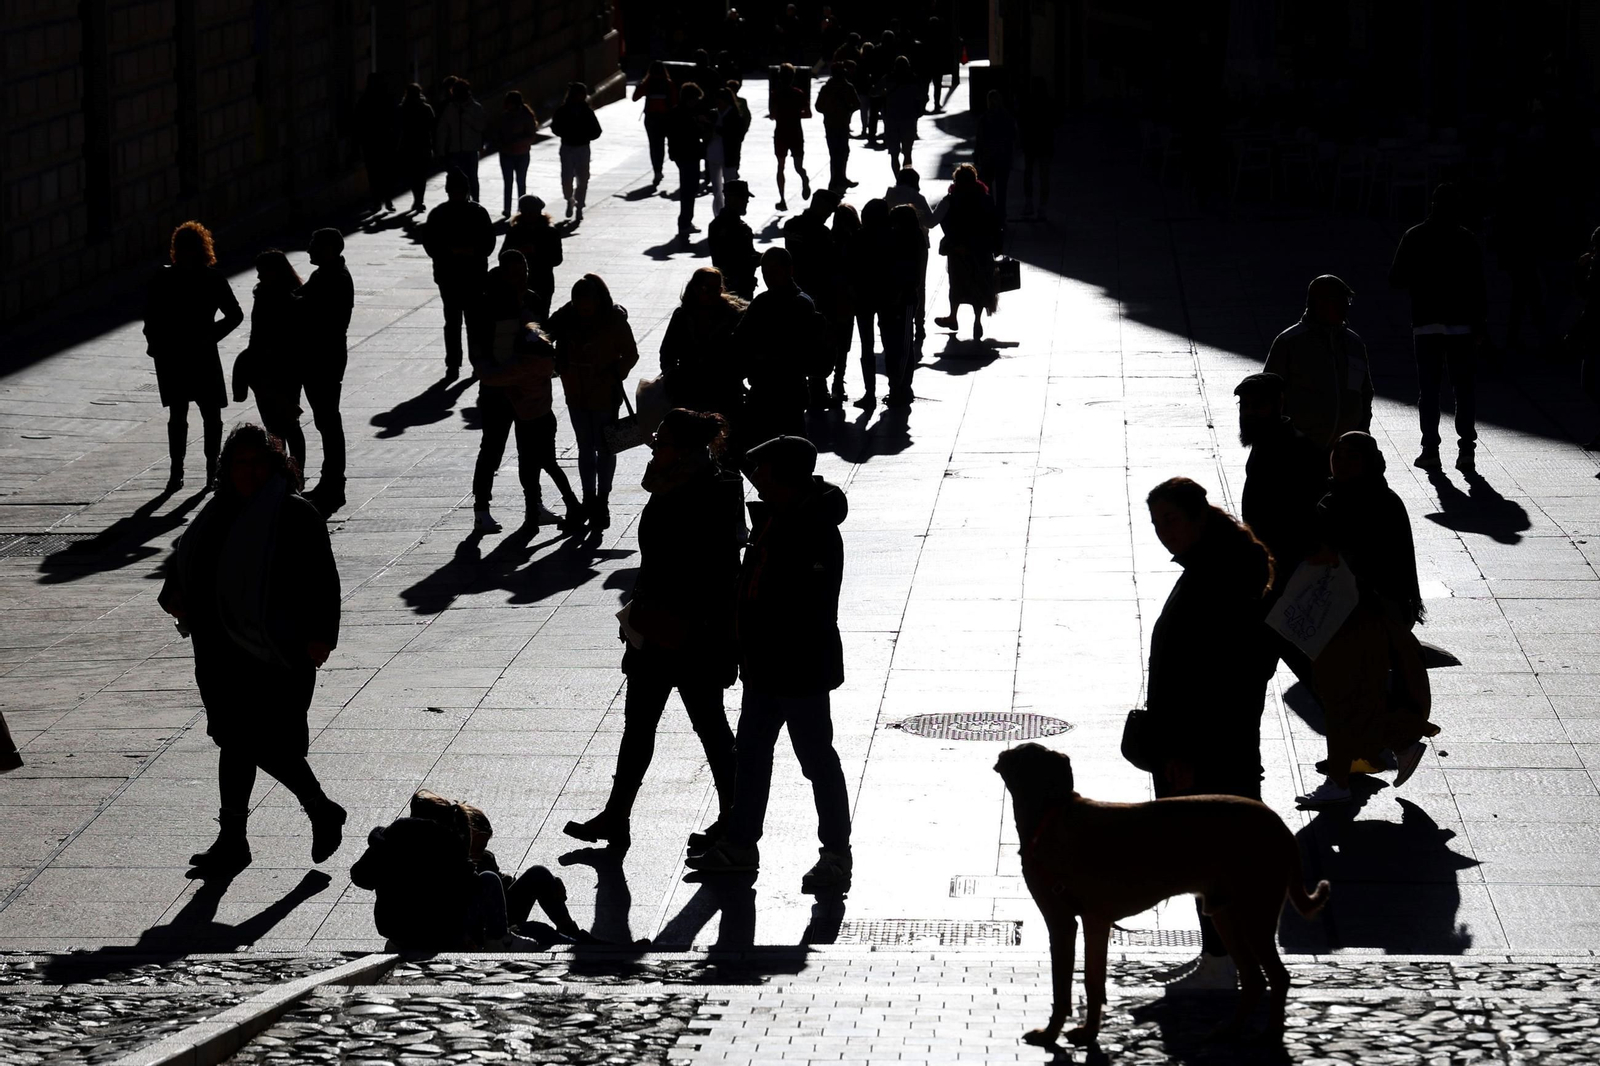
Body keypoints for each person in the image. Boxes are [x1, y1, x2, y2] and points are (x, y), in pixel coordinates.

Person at [159, 425, 346, 874]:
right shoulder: (215, 512)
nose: (249, 471)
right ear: (226, 468)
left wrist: (321, 636)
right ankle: (240, 837)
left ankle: (312, 811)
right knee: (235, 740)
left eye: (258, 462)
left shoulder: (294, 513)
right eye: (240, 463)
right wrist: (174, 592)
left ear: (275, 466)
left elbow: (323, 580)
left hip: (276, 649)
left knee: (258, 740)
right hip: (218, 649)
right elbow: (186, 561)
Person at [564, 409, 744, 851]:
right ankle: (616, 815)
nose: (653, 446)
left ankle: (736, 818)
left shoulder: (711, 490)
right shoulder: (668, 483)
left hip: (694, 632)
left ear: (684, 449)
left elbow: (717, 570)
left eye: (661, 441)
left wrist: (704, 628)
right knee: (639, 725)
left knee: (711, 727)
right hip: (656, 626)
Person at [686, 435, 851, 894]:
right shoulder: (778, 516)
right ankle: (741, 844)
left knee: (816, 760)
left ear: (784, 476)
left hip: (798, 668)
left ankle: (836, 855)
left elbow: (806, 607)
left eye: (763, 471)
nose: (755, 478)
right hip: (763, 667)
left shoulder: (812, 527)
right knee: (752, 757)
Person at [1141, 476, 1274, 990]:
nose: (1163, 532)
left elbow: (1209, 673)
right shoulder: (1217, 565)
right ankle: (1226, 956)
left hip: (1206, 745)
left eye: (1171, 520)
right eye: (1156, 523)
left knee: (1207, 853)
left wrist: (1181, 750)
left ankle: (1222, 959)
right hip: (1220, 739)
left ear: (1198, 517)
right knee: (1216, 851)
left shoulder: (1215, 576)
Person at [1295, 433, 1436, 808]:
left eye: (1351, 457)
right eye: (1337, 454)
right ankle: (1397, 744)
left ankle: (1342, 778)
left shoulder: (1376, 503)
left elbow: (1373, 561)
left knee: (1341, 695)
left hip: (1364, 613)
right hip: (1343, 611)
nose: (1340, 462)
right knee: (1345, 694)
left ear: (1369, 462)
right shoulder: (1337, 498)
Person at [467, 252, 583, 534]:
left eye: (525, 271)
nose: (522, 278)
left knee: (528, 454)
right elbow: (478, 348)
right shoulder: (486, 304)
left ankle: (535, 506)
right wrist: (490, 374)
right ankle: (482, 510)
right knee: (492, 449)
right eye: (515, 273)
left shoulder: (532, 299)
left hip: (527, 391)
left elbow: (541, 336)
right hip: (497, 389)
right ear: (502, 273)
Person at [1388, 182, 1489, 473]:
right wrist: (1479, 325)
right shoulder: (1466, 238)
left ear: (1432, 205)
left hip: (1426, 323)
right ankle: (1466, 451)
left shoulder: (1414, 236)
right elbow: (1479, 286)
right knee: (1464, 390)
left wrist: (1422, 278)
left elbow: (1396, 278)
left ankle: (1430, 449)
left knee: (1429, 391)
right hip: (1461, 325)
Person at [409, 789, 590, 944]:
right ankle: (572, 943)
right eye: (476, 847)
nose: (480, 853)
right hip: (477, 930)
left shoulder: (485, 859)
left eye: (483, 847)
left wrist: (550, 884)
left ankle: (571, 931)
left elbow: (504, 885)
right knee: (539, 931)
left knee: (539, 874)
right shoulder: (445, 864)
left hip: (497, 918)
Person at [143, 221, 243, 491]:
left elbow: (235, 314)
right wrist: (156, 343)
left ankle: (210, 469)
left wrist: (209, 336)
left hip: (194, 354)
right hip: (180, 355)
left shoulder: (208, 279)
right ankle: (179, 470)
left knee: (207, 415)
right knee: (183, 415)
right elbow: (150, 317)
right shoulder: (168, 278)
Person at [547, 274, 640, 531]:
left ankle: (602, 501)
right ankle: (589, 499)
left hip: (604, 395)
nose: (584, 310)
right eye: (579, 305)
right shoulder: (567, 317)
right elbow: (545, 333)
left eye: (588, 305)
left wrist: (613, 374)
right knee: (585, 446)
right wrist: (560, 366)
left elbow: (630, 353)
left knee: (606, 447)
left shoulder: (614, 319)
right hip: (576, 393)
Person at [1234, 373, 1326, 604]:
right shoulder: (1265, 441)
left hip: (1287, 569)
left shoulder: (1295, 449)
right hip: (1271, 560)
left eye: (1257, 405)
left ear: (1278, 404)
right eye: (1244, 406)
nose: (1249, 412)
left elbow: (1304, 516)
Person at [1263, 275, 1374, 452]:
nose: (1345, 307)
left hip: (1344, 450)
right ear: (1319, 304)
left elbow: (1365, 391)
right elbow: (1268, 395)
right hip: (1300, 449)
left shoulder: (1354, 343)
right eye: (1339, 301)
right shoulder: (1289, 342)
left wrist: (1363, 429)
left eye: (1347, 301)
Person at [734, 248, 830, 444]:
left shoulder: (800, 305)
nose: (769, 278)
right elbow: (739, 342)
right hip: (764, 391)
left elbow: (810, 355)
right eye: (765, 273)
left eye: (774, 271)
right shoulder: (762, 302)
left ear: (789, 270)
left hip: (788, 393)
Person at [291, 228, 354, 514]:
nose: (309, 250)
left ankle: (334, 483)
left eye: (314, 245)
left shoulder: (335, 278)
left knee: (329, 421)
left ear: (328, 249)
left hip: (325, 359)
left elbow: (312, 310)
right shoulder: (324, 275)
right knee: (326, 421)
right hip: (319, 357)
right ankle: (330, 481)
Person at [232, 250, 307, 475]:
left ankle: (294, 473)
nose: (258, 276)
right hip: (264, 370)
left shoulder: (291, 299)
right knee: (275, 425)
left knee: (288, 423)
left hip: (283, 369)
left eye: (262, 271)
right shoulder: (264, 294)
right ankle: (282, 472)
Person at [423, 168, 496, 376]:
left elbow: (488, 243)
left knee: (473, 322)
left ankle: (475, 361)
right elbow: (431, 244)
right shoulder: (440, 214)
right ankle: (453, 363)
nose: (457, 194)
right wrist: (452, 252)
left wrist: (470, 251)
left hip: (472, 276)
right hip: (450, 276)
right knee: (454, 321)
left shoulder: (476, 212)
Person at [659, 268, 747, 424]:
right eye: (707, 288)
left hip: (725, 391)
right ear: (695, 288)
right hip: (690, 390)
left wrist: (737, 375)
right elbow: (667, 352)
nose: (712, 294)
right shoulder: (682, 316)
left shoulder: (734, 315)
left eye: (716, 289)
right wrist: (672, 378)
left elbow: (746, 350)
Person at [784, 190, 842, 408]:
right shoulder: (819, 232)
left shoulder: (794, 225)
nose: (828, 215)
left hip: (800, 291)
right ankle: (816, 391)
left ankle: (810, 390)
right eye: (828, 210)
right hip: (813, 293)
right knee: (815, 344)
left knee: (803, 343)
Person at [931, 164, 1000, 341]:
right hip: (981, 249)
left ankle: (953, 316)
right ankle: (977, 321)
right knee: (979, 283)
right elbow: (995, 223)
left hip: (958, 249)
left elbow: (937, 219)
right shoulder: (985, 199)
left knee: (957, 283)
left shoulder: (951, 199)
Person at [881, 204, 926, 408]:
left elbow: (912, 274)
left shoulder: (910, 239)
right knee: (897, 343)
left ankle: (901, 386)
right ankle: (898, 385)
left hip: (905, 298)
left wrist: (899, 292)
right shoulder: (907, 238)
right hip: (898, 297)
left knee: (902, 343)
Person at [884, 167, 933, 343]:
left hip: (893, 244)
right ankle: (919, 324)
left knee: (893, 281)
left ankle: (895, 318)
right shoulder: (917, 198)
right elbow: (930, 222)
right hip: (917, 245)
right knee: (919, 284)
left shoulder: (888, 196)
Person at [849, 199, 890, 406]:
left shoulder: (858, 237)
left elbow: (851, 267)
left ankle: (869, 392)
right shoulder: (891, 237)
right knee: (890, 343)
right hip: (885, 295)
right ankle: (895, 387)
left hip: (863, 296)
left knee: (867, 345)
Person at [501, 194, 563, 323]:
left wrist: (537, 252)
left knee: (541, 318)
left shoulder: (550, 232)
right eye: (526, 211)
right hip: (518, 282)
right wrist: (519, 252)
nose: (529, 215)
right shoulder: (515, 231)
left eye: (532, 211)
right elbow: (503, 255)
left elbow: (557, 259)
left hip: (542, 281)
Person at [1566, 226, 1600, 449]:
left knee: (1590, 381)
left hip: (1596, 334)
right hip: (1593, 332)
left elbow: (1588, 298)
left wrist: (1580, 269)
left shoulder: (1597, 266)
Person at [551, 82, 602, 221]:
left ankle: (580, 205)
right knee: (566, 178)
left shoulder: (587, 111)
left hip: (583, 147)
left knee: (583, 177)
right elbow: (555, 127)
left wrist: (585, 136)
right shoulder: (562, 110)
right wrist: (566, 133)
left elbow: (597, 130)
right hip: (567, 147)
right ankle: (569, 199)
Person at [668, 83, 712, 237]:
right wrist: (701, 124)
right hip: (688, 154)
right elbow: (692, 134)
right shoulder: (686, 114)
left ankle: (686, 221)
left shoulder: (676, 111)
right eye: (695, 99)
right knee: (689, 188)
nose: (697, 102)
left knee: (689, 188)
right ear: (690, 98)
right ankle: (685, 222)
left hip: (682, 154)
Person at [435, 78, 487, 202]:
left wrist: (466, 116)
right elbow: (443, 130)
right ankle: (460, 201)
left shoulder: (475, 108)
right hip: (455, 150)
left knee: (472, 177)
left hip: (470, 149)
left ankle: (475, 201)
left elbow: (481, 126)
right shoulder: (450, 109)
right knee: (456, 178)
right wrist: (440, 150)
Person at [709, 180, 760, 300]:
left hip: (734, 286)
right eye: (743, 198)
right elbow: (740, 259)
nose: (746, 202)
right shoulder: (736, 228)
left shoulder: (717, 224)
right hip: (737, 288)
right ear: (732, 199)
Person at [770, 62, 811, 211]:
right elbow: (808, 114)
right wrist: (796, 114)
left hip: (781, 132)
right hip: (795, 132)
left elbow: (773, 114)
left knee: (780, 166)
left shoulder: (776, 94)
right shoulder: (799, 93)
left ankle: (782, 199)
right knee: (798, 166)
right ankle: (804, 178)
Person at [815, 61, 860, 193]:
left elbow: (818, 106)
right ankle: (838, 178)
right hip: (841, 123)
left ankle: (838, 178)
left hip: (831, 124)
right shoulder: (847, 87)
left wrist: (829, 111)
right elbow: (857, 104)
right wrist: (847, 110)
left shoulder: (827, 88)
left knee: (836, 152)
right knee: (841, 152)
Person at [357, 75, 399, 213]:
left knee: (374, 174)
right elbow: (395, 120)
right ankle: (388, 200)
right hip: (385, 141)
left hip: (371, 143)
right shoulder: (388, 98)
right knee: (387, 172)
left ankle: (377, 202)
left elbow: (359, 122)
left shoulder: (364, 100)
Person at [496, 91, 541, 218]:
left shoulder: (526, 116)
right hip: (507, 153)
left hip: (521, 153)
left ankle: (522, 208)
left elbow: (531, 135)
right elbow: (498, 134)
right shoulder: (504, 117)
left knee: (521, 182)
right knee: (508, 182)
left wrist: (518, 142)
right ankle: (507, 208)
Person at [706, 86, 749, 216]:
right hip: (713, 154)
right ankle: (718, 215)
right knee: (716, 190)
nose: (718, 104)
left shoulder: (735, 115)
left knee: (730, 188)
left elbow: (733, 135)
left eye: (720, 101)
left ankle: (731, 213)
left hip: (729, 155)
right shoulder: (714, 114)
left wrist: (714, 127)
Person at [976, 90, 1018, 221]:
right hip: (1003, 157)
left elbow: (980, 139)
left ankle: (991, 213)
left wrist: (978, 154)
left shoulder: (985, 118)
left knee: (988, 187)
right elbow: (1013, 136)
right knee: (1001, 188)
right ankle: (1001, 214)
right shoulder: (1007, 117)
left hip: (989, 157)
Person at [881, 56, 926, 177]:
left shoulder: (888, 78)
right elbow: (922, 95)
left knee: (894, 153)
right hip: (908, 118)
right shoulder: (913, 79)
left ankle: (897, 178)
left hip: (891, 118)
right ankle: (906, 177)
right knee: (907, 152)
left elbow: (874, 92)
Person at [634, 61, 677, 186]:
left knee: (654, 145)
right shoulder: (668, 84)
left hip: (651, 118)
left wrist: (640, 85)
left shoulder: (647, 83)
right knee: (663, 144)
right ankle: (661, 167)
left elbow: (635, 98)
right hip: (666, 117)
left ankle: (657, 170)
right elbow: (675, 101)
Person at [1018, 76, 1055, 220]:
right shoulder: (1049, 103)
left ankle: (1029, 204)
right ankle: (1042, 207)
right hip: (1045, 143)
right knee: (1044, 176)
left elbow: (1021, 122)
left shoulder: (1028, 103)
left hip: (1030, 143)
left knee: (1028, 174)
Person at [398, 83, 436, 213]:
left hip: (408, 145)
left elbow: (398, 128)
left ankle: (417, 199)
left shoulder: (402, 109)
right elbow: (433, 127)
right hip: (423, 145)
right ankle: (420, 200)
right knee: (422, 175)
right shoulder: (426, 108)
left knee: (412, 175)